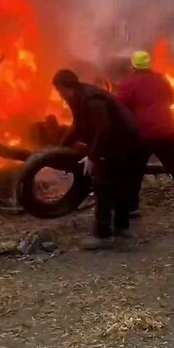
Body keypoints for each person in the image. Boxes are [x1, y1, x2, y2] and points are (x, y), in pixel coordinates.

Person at [53, 69, 142, 250]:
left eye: (58, 90)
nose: (58, 94)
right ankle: (122, 228)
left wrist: (93, 156)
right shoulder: (77, 98)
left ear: (64, 88)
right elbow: (78, 125)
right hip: (116, 139)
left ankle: (104, 235)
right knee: (118, 182)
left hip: (122, 140)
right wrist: (59, 149)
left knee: (103, 184)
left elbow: (104, 129)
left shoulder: (91, 100)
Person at [116, 50, 174, 218]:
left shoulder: (127, 83)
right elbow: (172, 99)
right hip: (165, 131)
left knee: (134, 171)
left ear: (133, 65)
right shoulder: (160, 79)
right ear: (148, 64)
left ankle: (133, 207)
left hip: (141, 134)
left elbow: (121, 108)